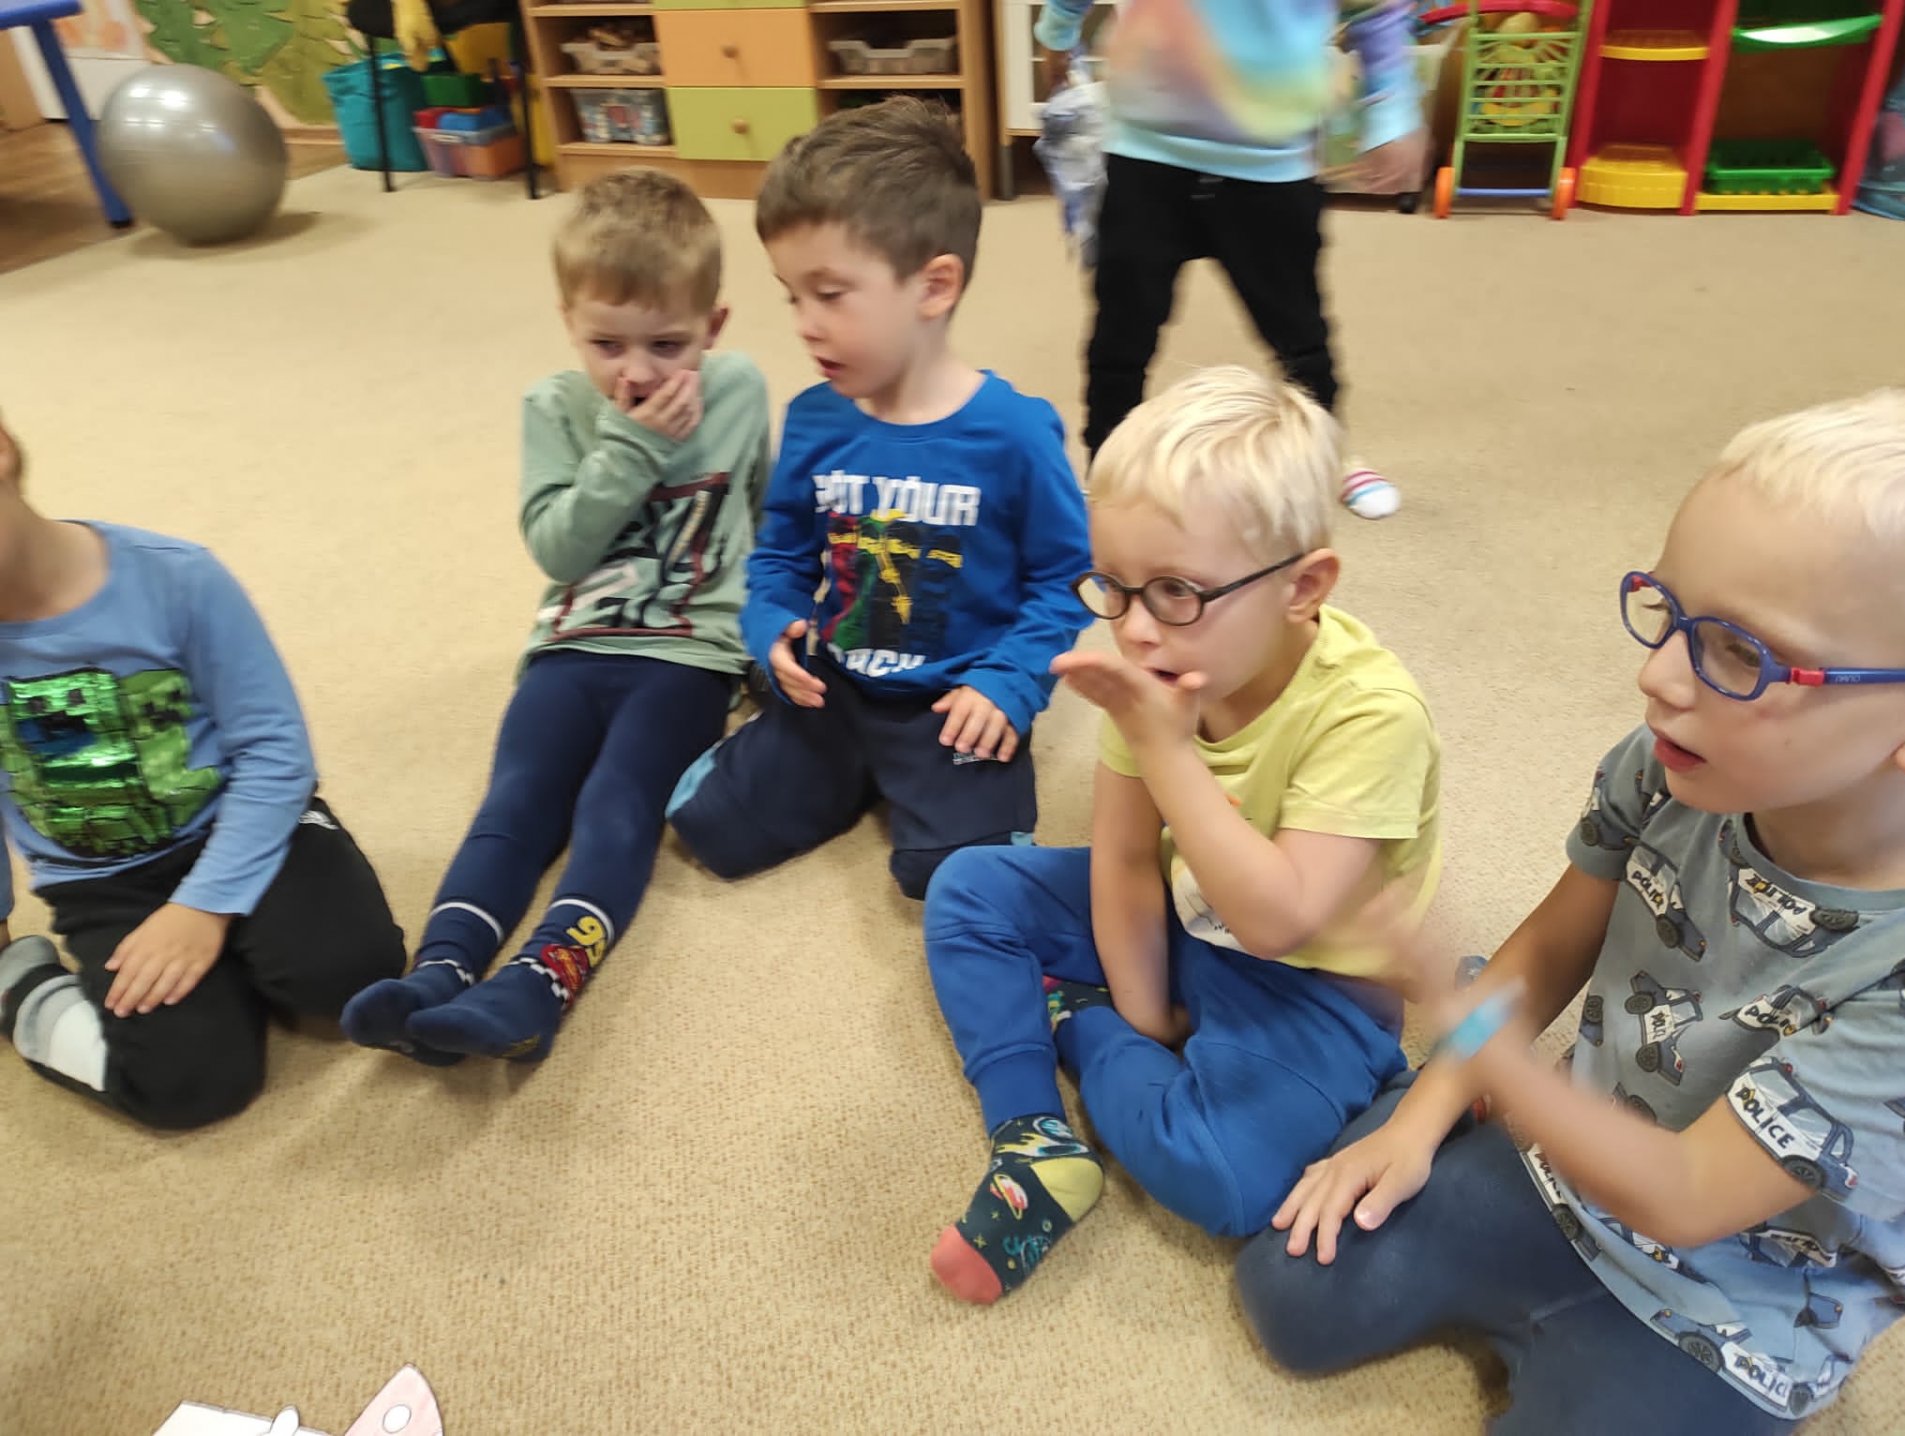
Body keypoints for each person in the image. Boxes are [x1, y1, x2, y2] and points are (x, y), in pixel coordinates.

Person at [1238, 391, 1905, 1434]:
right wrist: (1421, 1119)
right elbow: (1554, 943)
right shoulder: (1674, 765)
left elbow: (1686, 1194)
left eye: (1742, 651)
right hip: (1561, 1162)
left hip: (1744, 1306)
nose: (1656, 674)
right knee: (1292, 1294)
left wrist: (1462, 1020)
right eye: (1668, 611)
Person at [921, 365, 1441, 1303]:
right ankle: (1033, 1136)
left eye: (1175, 591)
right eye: (1113, 588)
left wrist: (1165, 750)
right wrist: (1148, 1015)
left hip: (1313, 984)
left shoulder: (1371, 715)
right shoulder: (1160, 659)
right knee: (967, 888)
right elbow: (1125, 859)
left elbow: (1277, 921)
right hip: (1180, 910)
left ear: (1303, 586)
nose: (1134, 630)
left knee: (1225, 1178)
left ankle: (1067, 1017)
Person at [342, 170, 769, 1065]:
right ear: (568, 319)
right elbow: (559, 548)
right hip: (570, 647)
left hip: (689, 654)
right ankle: (439, 971)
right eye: (606, 344)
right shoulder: (554, 408)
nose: (636, 372)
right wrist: (632, 446)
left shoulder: (738, 390)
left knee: (617, 805)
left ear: (715, 325)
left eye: (668, 344)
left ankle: (541, 983)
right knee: (517, 802)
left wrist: (768, 635)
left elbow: (761, 515)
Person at [666, 99, 1092, 901]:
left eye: (830, 294)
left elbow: (1064, 583)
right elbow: (782, 555)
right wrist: (770, 625)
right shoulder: (814, 419)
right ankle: (831, 763)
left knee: (958, 878)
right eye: (792, 296)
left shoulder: (1014, 434)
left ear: (934, 285)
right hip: (834, 688)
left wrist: (1008, 683)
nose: (804, 324)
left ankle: (916, 780)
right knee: (705, 826)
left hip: (953, 701)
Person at [0, 411, 403, 1129]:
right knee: (187, 1084)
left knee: (351, 977)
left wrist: (205, 907)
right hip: (102, 880)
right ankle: (22, 988)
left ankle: (245, 937)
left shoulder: (177, 579)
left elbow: (274, 750)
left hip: (237, 820)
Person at [1035, 0, 1421, 518]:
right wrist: (1058, 29)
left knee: (1298, 333)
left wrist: (1390, 110)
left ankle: (1326, 453)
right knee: (1121, 334)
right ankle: (1107, 467)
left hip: (1271, 163)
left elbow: (1376, 11)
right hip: (1143, 151)